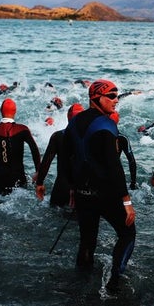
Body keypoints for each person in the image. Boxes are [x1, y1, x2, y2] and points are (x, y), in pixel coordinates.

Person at [64, 80, 136, 292]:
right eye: (111, 96)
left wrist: (72, 188)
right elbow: (114, 166)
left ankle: (80, 287)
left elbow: (66, 157)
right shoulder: (106, 125)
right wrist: (126, 201)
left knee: (87, 241)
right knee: (128, 233)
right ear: (96, 98)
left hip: (82, 192)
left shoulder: (74, 123)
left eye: (117, 96)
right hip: (105, 193)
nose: (116, 100)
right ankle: (114, 281)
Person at [35, 103, 84, 208]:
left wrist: (39, 183)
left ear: (68, 118)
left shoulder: (57, 136)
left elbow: (46, 161)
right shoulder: (92, 137)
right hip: (83, 190)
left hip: (61, 188)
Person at [0, 98, 41, 195]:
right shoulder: (23, 129)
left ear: (1, 110)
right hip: (18, 179)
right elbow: (34, 150)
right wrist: (38, 172)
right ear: (15, 111)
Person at [109, 112, 138, 190]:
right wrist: (133, 183)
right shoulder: (122, 138)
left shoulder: (98, 135)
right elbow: (132, 161)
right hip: (116, 174)